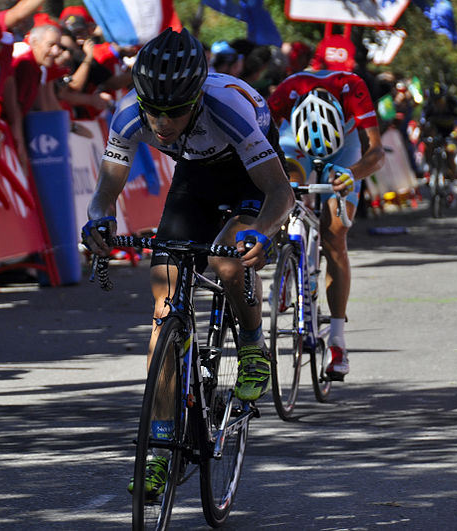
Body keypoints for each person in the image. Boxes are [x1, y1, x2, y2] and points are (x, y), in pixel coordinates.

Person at [81, 28, 293, 496]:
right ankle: (160, 450)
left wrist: (263, 230)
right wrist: (97, 220)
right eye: (153, 109)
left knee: (228, 263)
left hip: (247, 171)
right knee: (163, 310)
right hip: (195, 173)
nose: (161, 122)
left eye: (174, 111)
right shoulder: (130, 116)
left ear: (195, 98)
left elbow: (281, 191)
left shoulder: (227, 108)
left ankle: (254, 348)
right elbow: (105, 192)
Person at [268, 70, 385, 380]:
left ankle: (336, 340)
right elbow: (261, 143)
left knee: (335, 236)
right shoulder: (289, 89)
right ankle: (288, 254)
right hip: (295, 144)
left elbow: (376, 151)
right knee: (286, 195)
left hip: (342, 148)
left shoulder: (353, 88)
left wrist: (353, 175)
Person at [419, 82, 457, 197]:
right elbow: (422, 124)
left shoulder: (453, 104)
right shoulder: (428, 106)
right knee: (428, 142)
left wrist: (455, 135)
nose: (437, 103)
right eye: (435, 100)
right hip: (435, 130)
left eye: (440, 100)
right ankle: (429, 167)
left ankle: (452, 182)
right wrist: (422, 135)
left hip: (449, 131)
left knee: (450, 151)